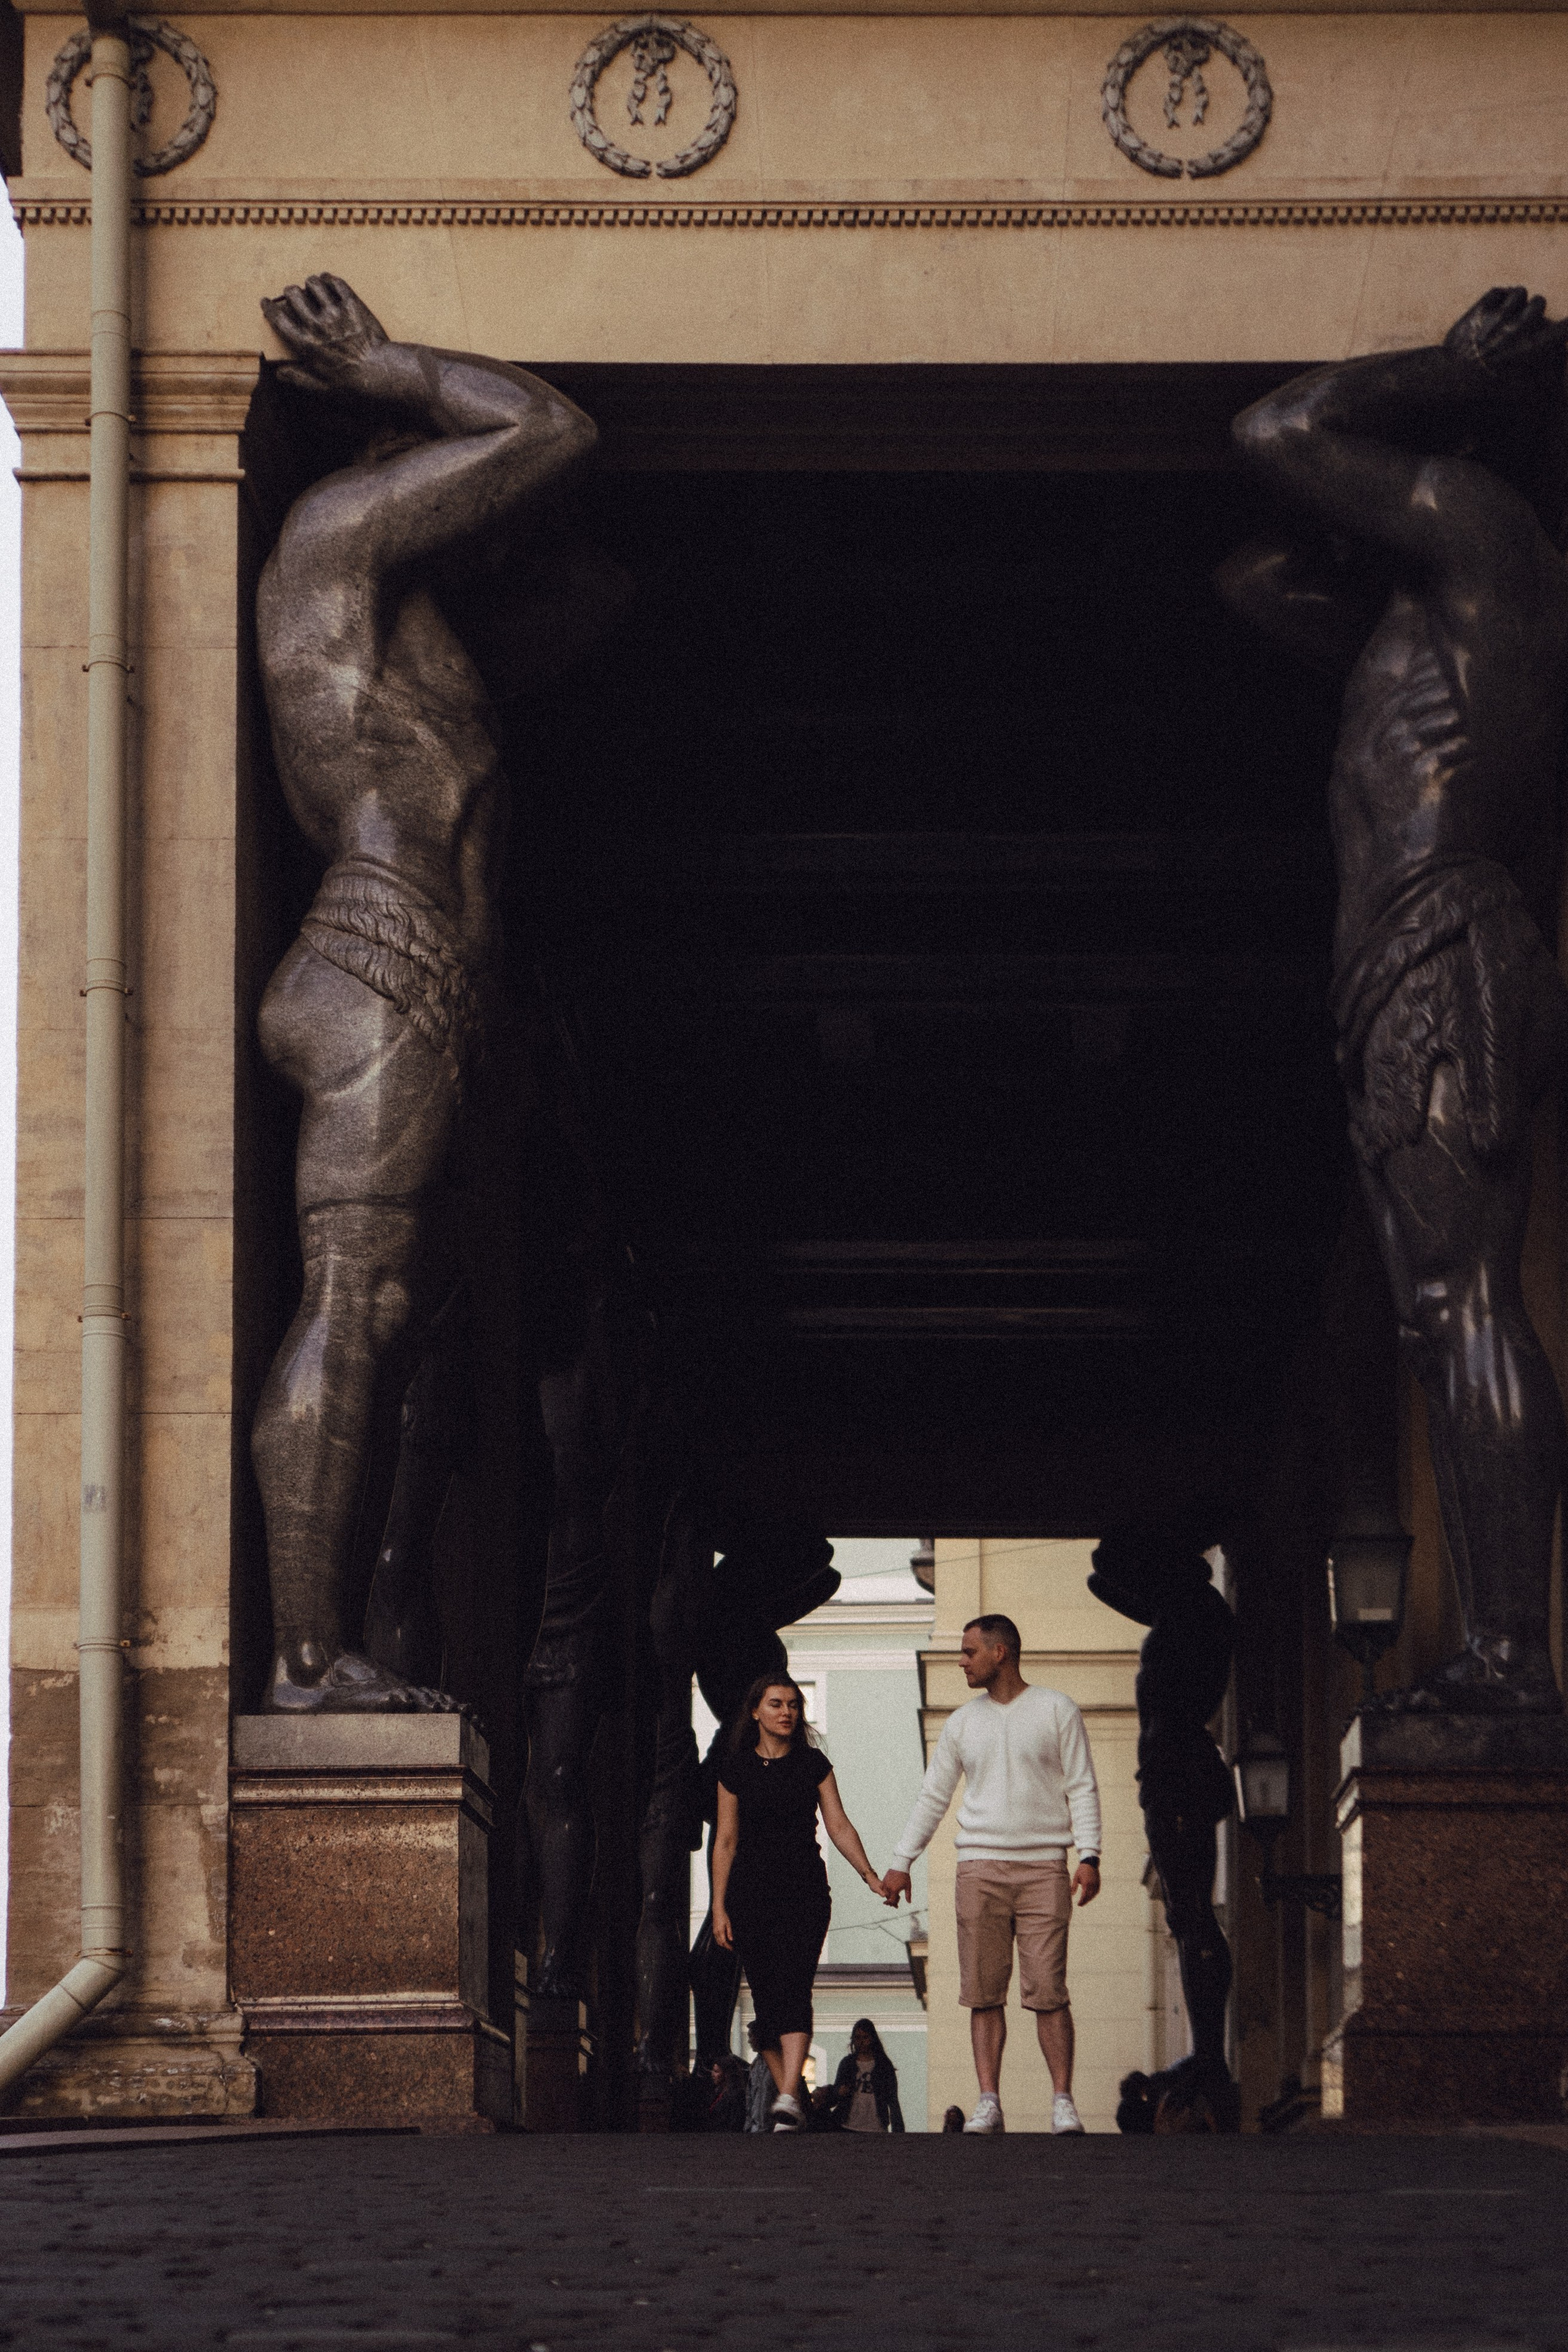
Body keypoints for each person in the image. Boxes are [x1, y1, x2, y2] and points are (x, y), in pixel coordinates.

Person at [251, 273, 609, 1712]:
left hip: (419, 983)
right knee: (355, 1300)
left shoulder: (415, 630)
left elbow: (594, 592)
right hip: (378, 958)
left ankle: (329, 1643)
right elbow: (549, 427)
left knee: (396, 1327)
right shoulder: (339, 534)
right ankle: (299, 1658)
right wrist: (396, 368)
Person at [1219, 285, 1568, 1717]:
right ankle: (1499, 1643)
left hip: (1445, 943)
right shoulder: (1417, 621)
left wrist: (1434, 373)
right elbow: (1255, 573)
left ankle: (1512, 1653)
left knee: (1461, 1292)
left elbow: (1277, 425)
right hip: (1396, 969)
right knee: (1436, 1312)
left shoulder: (1491, 541)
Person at [882, 1615, 1101, 2135]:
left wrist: (1089, 1855)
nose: (960, 1660)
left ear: (999, 1653)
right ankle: (989, 2102)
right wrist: (901, 1860)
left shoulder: (1056, 1709)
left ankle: (1062, 2102)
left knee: (1049, 1988)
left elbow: (1083, 1786)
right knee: (983, 1992)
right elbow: (933, 1795)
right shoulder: (961, 1723)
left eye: (969, 1652)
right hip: (977, 1866)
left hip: (1045, 1865)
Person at [711, 1675, 890, 2131]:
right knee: (767, 2006)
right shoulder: (734, 1769)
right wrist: (718, 1907)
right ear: (756, 1712)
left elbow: (839, 1825)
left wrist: (869, 1874)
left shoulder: (813, 1765)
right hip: (749, 1898)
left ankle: (789, 2095)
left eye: (794, 1704)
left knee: (794, 1987)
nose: (786, 1712)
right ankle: (798, 2101)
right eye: (776, 1704)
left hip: (804, 1893)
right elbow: (726, 1842)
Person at [831, 2018, 905, 2135]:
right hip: (848, 2126)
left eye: (865, 2037)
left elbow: (893, 2100)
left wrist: (899, 2132)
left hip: (876, 2128)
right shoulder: (847, 2063)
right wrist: (839, 2091)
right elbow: (836, 2091)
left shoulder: (883, 2065)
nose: (861, 2042)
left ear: (872, 2039)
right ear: (853, 2040)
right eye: (858, 2038)